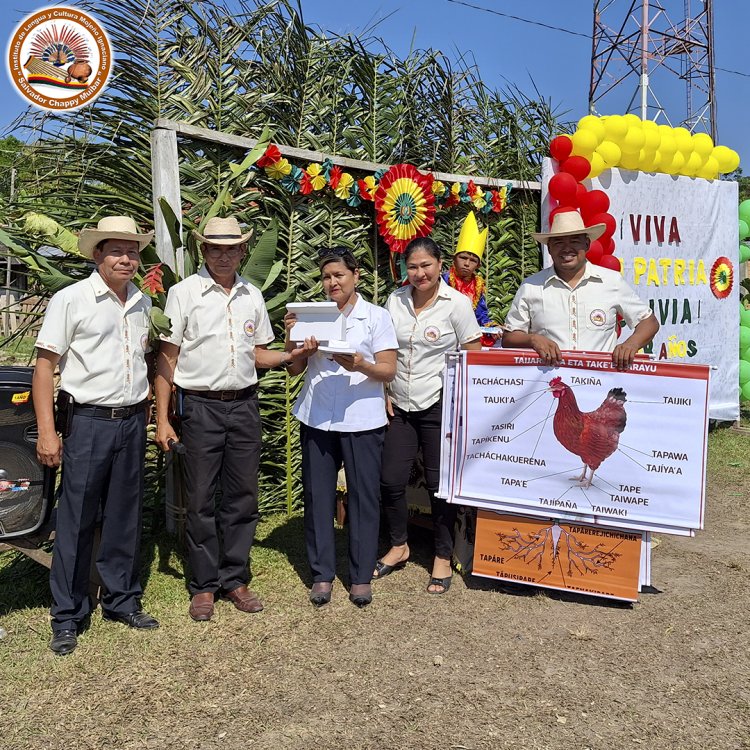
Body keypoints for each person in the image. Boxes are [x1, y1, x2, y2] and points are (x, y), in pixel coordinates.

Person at [154, 215, 312, 622]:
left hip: (244, 405)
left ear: (243, 251)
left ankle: (235, 579)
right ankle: (204, 586)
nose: (224, 256)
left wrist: (290, 355)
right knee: (202, 498)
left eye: (232, 248)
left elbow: (258, 354)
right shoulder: (183, 293)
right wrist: (164, 418)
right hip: (201, 407)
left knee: (243, 496)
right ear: (203, 251)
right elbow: (167, 359)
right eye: (215, 248)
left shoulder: (252, 296)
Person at [33, 215, 158, 656]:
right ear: (97, 254)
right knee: (77, 518)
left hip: (131, 421)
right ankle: (67, 615)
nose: (126, 259)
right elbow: (45, 367)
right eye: (117, 251)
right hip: (86, 422)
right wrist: (48, 432)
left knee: (125, 514)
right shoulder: (71, 299)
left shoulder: (142, 302)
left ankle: (122, 600)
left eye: (132, 251)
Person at [285, 247, 397, 608]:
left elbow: (388, 370)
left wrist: (360, 365)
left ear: (356, 276)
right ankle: (322, 574)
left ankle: (361, 576)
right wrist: (293, 342)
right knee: (318, 495)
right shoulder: (312, 316)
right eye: (326, 277)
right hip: (318, 416)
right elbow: (293, 369)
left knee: (364, 496)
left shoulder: (376, 317)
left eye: (339, 275)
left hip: (362, 417)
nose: (332, 282)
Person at [377, 237, 482, 595]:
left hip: (440, 405)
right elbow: (381, 349)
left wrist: (461, 403)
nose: (420, 273)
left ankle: (441, 553)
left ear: (440, 265)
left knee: (439, 486)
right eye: (413, 267)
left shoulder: (458, 304)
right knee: (390, 479)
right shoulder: (395, 300)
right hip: (399, 404)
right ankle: (399, 545)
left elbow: (474, 353)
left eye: (426, 265)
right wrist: (383, 391)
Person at [502, 208, 659, 367]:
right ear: (549, 248)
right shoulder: (531, 286)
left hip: (601, 384)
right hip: (549, 384)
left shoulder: (612, 281)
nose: (567, 249)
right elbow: (509, 338)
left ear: (587, 244)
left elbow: (649, 322)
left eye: (575, 241)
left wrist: (631, 344)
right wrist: (533, 339)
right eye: (559, 242)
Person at [442, 211, 492, 327]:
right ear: (454, 259)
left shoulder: (477, 285)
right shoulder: (444, 280)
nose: (467, 263)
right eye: (463, 258)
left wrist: (491, 326)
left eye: (473, 260)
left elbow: (481, 314)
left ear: (478, 265)